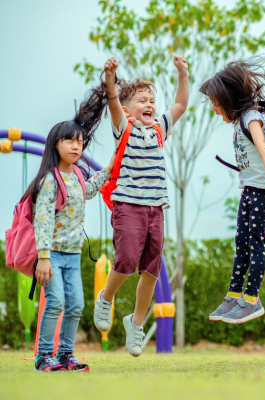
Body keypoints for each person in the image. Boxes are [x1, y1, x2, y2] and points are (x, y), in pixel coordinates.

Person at [93, 55, 189, 357]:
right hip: (129, 206)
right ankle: (106, 297)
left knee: (151, 269)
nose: (149, 105)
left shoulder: (160, 128)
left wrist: (182, 74)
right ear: (127, 108)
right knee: (125, 260)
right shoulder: (125, 127)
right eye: (141, 100)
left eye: (152, 100)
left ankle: (135, 322)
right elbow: (111, 99)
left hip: (156, 209)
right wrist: (110, 77)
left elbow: (181, 105)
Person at [30, 83, 115, 372]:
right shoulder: (49, 180)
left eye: (79, 142)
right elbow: (42, 218)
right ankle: (43, 357)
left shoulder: (77, 175)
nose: (76, 146)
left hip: (73, 254)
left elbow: (89, 190)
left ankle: (66, 355)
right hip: (51, 254)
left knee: (76, 305)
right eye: (69, 141)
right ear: (56, 144)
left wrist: (109, 168)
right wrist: (42, 257)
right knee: (55, 303)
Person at [199, 58, 265, 324]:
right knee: (242, 244)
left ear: (229, 99)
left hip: (263, 189)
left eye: (215, 103)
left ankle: (251, 300)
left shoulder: (250, 116)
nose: (214, 109)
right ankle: (234, 295)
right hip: (250, 189)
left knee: (256, 244)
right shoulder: (238, 120)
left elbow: (259, 139)